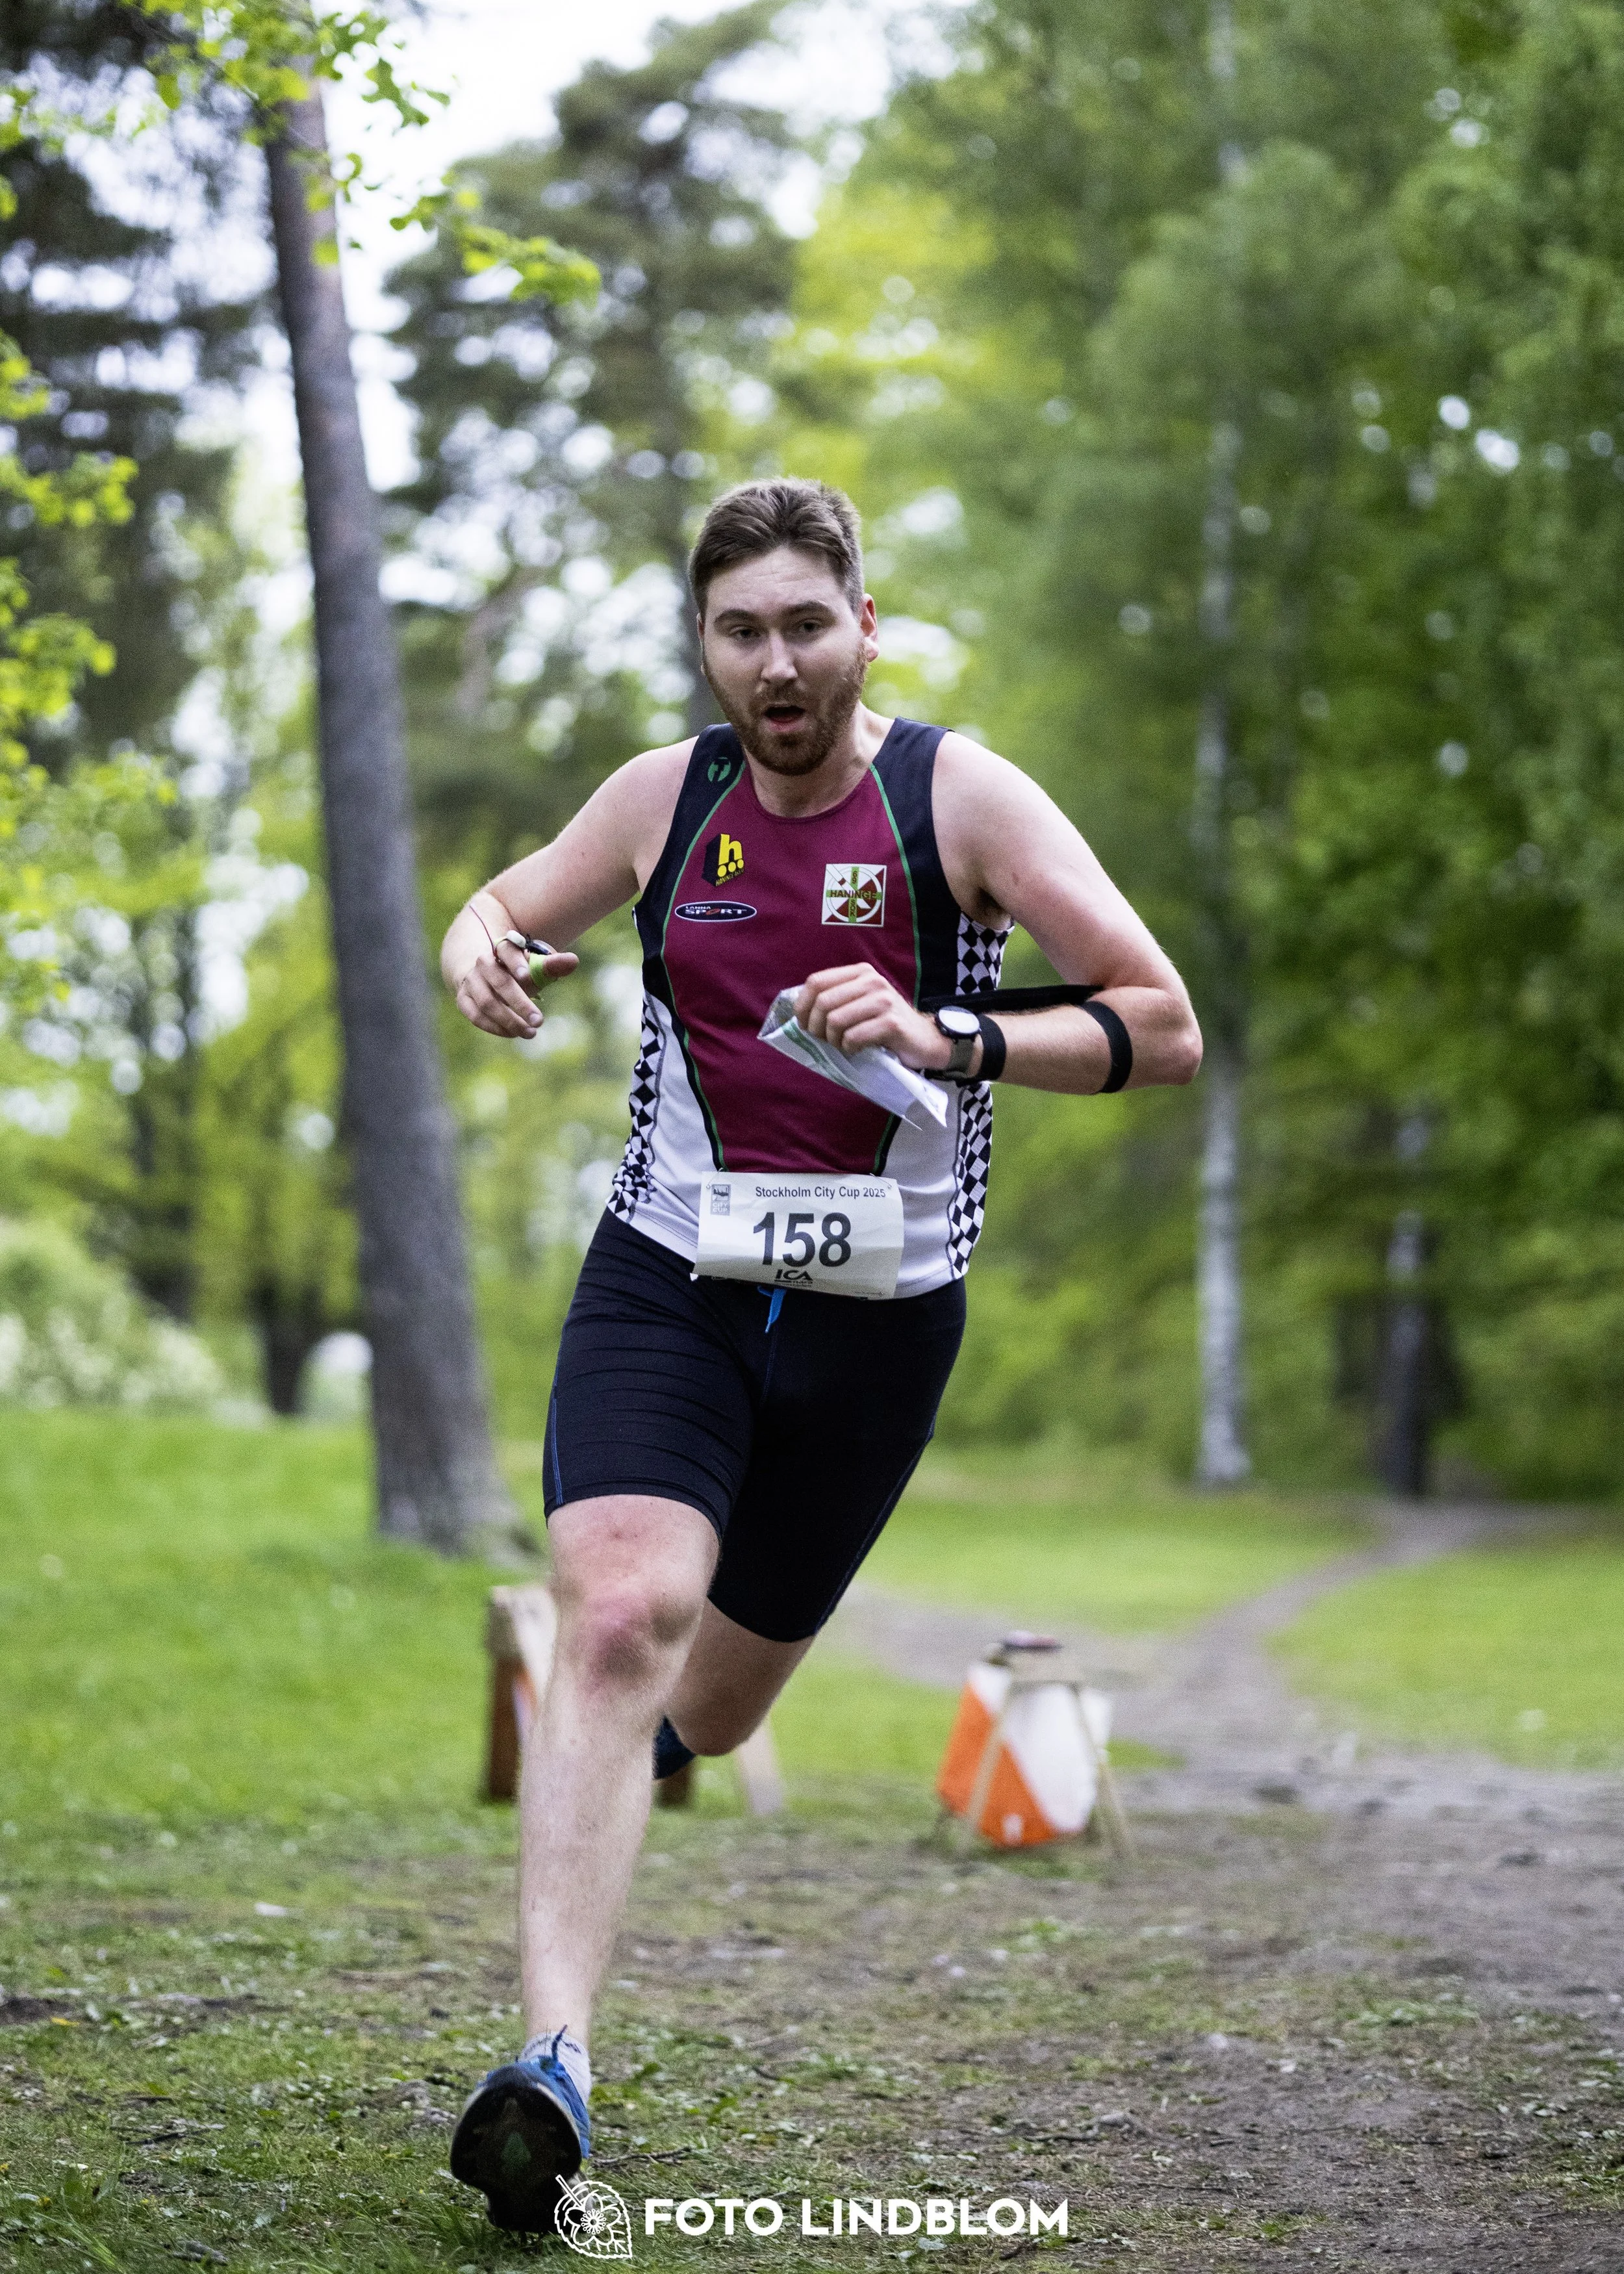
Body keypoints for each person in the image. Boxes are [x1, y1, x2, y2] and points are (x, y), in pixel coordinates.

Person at [438, 478, 1201, 2231]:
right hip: (670, 1281)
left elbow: (1161, 1027)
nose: (772, 663)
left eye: (803, 623)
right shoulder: (662, 800)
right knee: (616, 1609)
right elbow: (504, 903)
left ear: (863, 626)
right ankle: (549, 2064)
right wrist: (479, 943)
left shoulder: (961, 799)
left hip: (877, 1325)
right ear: (702, 648)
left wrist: (952, 1033)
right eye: (736, 629)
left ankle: (644, 1753)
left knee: (697, 1701)